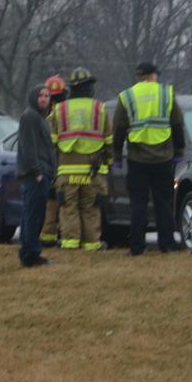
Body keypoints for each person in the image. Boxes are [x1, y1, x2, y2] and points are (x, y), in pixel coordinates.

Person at [113, 61, 185, 255]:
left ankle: (136, 246)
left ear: (139, 76)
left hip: (137, 159)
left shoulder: (127, 96)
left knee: (138, 203)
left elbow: (119, 128)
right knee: (164, 202)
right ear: (154, 75)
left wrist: (117, 155)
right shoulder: (166, 94)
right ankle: (167, 244)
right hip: (163, 158)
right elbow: (177, 124)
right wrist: (179, 152)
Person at [49, 67, 112, 251]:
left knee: (68, 208)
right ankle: (92, 244)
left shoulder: (59, 110)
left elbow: (52, 143)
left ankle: (70, 243)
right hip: (92, 171)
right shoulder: (99, 108)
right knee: (91, 208)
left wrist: (53, 167)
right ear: (90, 87)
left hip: (66, 172)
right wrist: (107, 162)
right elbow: (108, 140)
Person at [16, 84, 56, 267]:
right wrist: (38, 172)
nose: (44, 99)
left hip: (42, 174)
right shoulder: (30, 116)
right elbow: (28, 147)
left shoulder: (40, 118)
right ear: (34, 97)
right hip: (35, 177)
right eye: (40, 95)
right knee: (34, 216)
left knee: (33, 215)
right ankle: (31, 254)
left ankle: (28, 252)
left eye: (47, 96)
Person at [40, 74, 68, 247]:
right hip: (62, 165)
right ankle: (54, 235)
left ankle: (48, 236)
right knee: (61, 203)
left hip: (51, 165)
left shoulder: (45, 116)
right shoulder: (65, 114)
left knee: (51, 203)